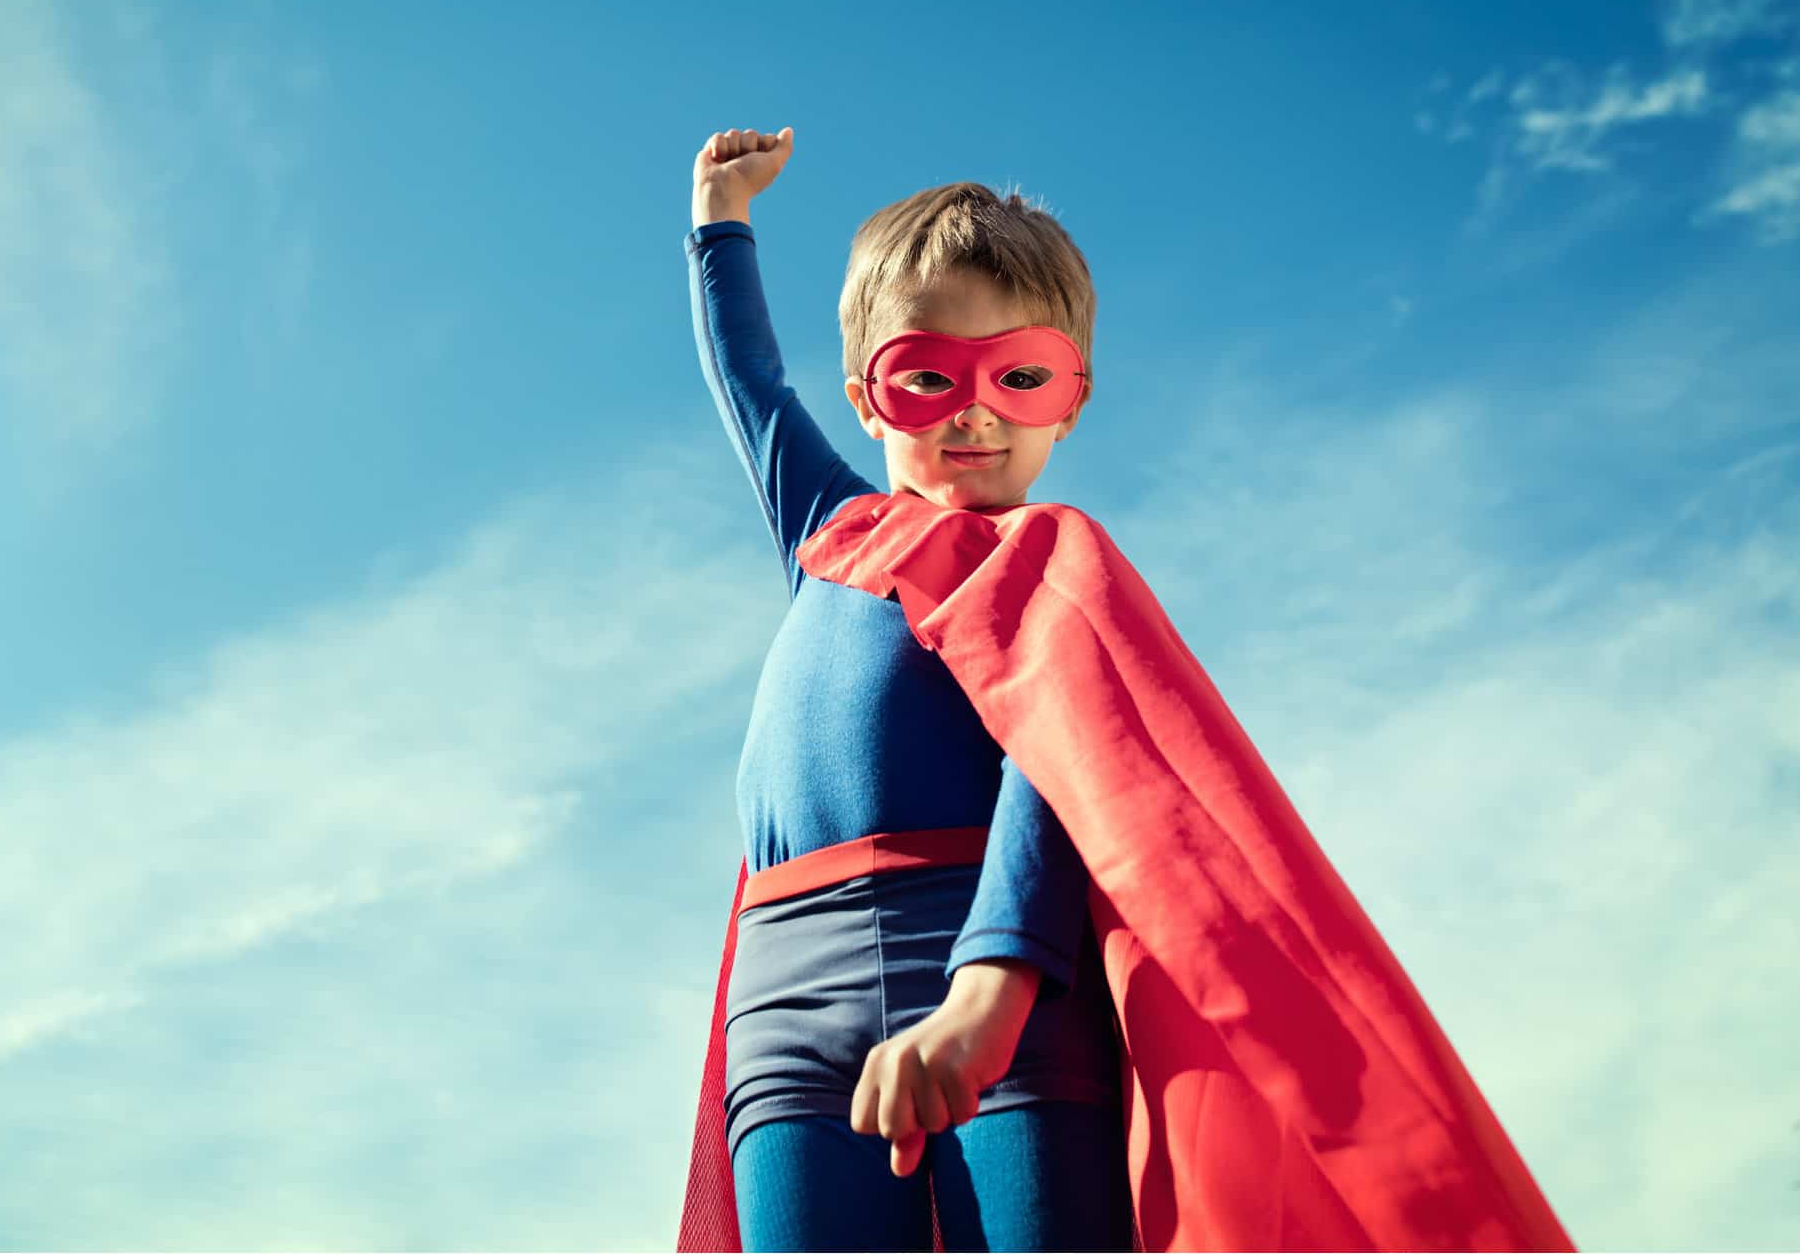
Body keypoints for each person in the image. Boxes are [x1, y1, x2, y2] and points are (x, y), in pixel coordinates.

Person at [674, 127, 1575, 1253]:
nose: (976, 411)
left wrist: (985, 997)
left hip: (1003, 979)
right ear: (867, 395)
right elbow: (748, 379)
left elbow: (1064, 769)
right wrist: (721, 217)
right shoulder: (829, 528)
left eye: (1020, 376)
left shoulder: (1048, 566)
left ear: (1072, 398)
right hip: (785, 996)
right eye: (927, 378)